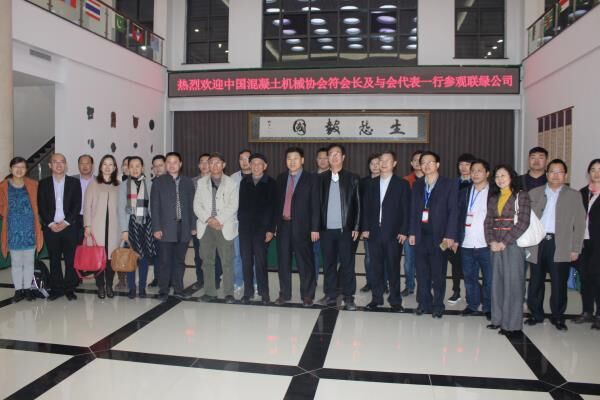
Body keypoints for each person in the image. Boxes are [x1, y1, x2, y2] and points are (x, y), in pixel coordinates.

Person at [526, 159, 586, 331]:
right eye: (552, 171)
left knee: (559, 282)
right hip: (537, 242)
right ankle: (536, 314)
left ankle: (558, 317)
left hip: (561, 243)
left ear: (565, 175)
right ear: (547, 174)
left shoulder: (574, 195)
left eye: (560, 172)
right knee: (536, 281)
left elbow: (580, 224)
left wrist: (575, 248)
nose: (555, 175)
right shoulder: (534, 193)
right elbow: (526, 220)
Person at [408, 151, 458, 318]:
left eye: (430, 162)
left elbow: (453, 211)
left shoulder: (449, 184)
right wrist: (412, 232)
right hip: (420, 235)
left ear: (437, 165)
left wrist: (450, 235)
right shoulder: (417, 185)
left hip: (440, 237)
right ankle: (424, 303)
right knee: (422, 273)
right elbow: (413, 210)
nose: (427, 165)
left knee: (438, 273)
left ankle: (438, 305)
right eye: (423, 162)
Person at [484, 165, 531, 335]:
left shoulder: (521, 196)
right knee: (497, 283)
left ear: (511, 177)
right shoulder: (493, 198)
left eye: (503, 175)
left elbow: (523, 222)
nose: (500, 179)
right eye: (497, 176)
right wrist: (491, 241)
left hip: (513, 245)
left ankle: (512, 325)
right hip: (495, 245)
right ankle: (497, 319)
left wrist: (504, 242)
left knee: (513, 284)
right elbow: (488, 222)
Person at [362, 150, 410, 312]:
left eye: (387, 160)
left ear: (394, 163)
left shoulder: (402, 184)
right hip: (374, 232)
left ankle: (395, 300)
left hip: (394, 233)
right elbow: (366, 208)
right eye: (381, 160)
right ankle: (376, 298)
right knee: (375, 267)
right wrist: (365, 227)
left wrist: (404, 230)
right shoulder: (371, 184)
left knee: (393, 267)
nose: (383, 163)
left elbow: (406, 209)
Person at [316, 144, 360, 311]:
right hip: (326, 230)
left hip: (345, 230)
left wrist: (357, 226)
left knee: (347, 264)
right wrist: (316, 227)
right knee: (329, 264)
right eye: (331, 154)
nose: (334, 157)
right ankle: (330, 295)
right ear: (327, 158)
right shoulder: (320, 179)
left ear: (343, 157)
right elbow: (316, 205)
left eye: (337, 154)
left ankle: (349, 297)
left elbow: (358, 205)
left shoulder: (353, 178)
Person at [275, 147, 319, 307]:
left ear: (302, 160)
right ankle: (284, 294)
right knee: (283, 262)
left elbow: (316, 205)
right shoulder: (281, 178)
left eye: (295, 158)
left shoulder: (311, 179)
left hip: (303, 227)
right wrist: (274, 226)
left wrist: (315, 228)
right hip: (283, 226)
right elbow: (276, 204)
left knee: (305, 262)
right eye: (289, 158)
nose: (292, 161)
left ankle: (307, 295)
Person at [151, 152, 196, 301]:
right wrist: (156, 228)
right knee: (164, 261)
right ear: (165, 165)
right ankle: (163, 290)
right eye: (168, 162)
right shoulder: (158, 182)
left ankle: (178, 289)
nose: (171, 165)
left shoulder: (188, 182)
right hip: (165, 228)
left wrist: (193, 225)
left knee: (179, 261)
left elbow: (192, 206)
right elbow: (154, 207)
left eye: (175, 162)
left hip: (184, 227)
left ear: (180, 164)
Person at [194, 152, 239, 303]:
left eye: (218, 162)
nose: (214, 165)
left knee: (227, 261)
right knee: (207, 261)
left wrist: (218, 219)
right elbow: (197, 205)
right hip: (206, 226)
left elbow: (233, 205)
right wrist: (209, 219)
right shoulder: (201, 183)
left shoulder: (232, 183)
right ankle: (210, 292)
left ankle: (229, 293)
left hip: (224, 225)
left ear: (223, 165)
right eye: (211, 162)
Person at [37, 153, 82, 301]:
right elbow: (41, 206)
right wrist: (51, 223)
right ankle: (57, 289)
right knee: (54, 259)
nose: (58, 164)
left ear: (66, 165)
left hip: (69, 227)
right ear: (50, 165)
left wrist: (66, 222)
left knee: (70, 259)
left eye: (62, 162)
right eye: (55, 162)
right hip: (51, 228)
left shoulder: (74, 183)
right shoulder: (43, 183)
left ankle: (70, 288)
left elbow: (77, 205)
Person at [0, 157, 44, 302]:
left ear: (26, 169)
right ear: (10, 168)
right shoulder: (3, 186)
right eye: (16, 167)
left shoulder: (33, 185)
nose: (19, 170)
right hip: (13, 230)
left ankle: (28, 289)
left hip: (30, 230)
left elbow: (39, 203)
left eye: (22, 167)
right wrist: (7, 213)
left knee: (29, 262)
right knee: (16, 262)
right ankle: (18, 290)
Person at [455, 159, 492, 319]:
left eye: (479, 171)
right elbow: (457, 217)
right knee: (469, 278)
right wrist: (456, 238)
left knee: (489, 279)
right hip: (467, 243)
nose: (475, 174)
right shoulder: (464, 192)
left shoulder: (494, 193)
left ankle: (489, 307)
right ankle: (472, 305)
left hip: (487, 244)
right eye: (473, 171)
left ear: (487, 173)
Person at [238, 153, 277, 304]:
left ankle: (264, 292)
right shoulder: (244, 182)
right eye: (253, 163)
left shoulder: (271, 183)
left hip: (262, 230)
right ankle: (248, 292)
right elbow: (241, 205)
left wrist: (271, 229)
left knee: (261, 262)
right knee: (246, 261)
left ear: (265, 166)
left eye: (259, 163)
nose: (255, 166)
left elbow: (274, 208)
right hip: (245, 229)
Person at [83, 155, 121, 299]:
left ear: (115, 167)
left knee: (111, 259)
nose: (107, 167)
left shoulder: (119, 185)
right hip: (96, 227)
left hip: (114, 228)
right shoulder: (93, 184)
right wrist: (87, 225)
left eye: (111, 164)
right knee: (98, 258)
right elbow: (87, 206)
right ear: (100, 167)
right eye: (105, 164)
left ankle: (109, 285)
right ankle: (100, 286)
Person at [118, 156, 156, 299]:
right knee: (131, 257)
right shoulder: (123, 185)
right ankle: (132, 288)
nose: (135, 169)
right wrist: (124, 230)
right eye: (131, 166)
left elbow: (152, 207)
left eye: (137, 166)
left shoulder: (149, 184)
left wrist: (153, 227)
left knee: (144, 259)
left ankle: (142, 287)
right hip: (130, 224)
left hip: (146, 224)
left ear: (142, 168)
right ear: (128, 168)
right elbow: (121, 209)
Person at [447, 153, 475, 304]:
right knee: (453, 259)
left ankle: (473, 292)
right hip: (451, 228)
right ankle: (456, 291)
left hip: (469, 230)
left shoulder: (476, 184)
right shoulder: (452, 183)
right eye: (461, 164)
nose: (464, 168)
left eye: (467, 164)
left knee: (468, 263)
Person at [576, 159, 600, 329]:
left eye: (599, 169)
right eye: (593, 169)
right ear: (588, 173)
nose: (596, 173)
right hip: (583, 241)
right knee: (584, 277)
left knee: (597, 277)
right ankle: (587, 311)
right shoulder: (583, 193)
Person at [401, 149, 424, 297]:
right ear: (411, 163)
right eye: (415, 160)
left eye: (421, 160)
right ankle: (409, 286)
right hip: (409, 227)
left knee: (425, 260)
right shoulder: (405, 181)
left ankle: (425, 286)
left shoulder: (432, 180)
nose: (418, 162)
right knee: (409, 261)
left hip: (427, 228)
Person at [359, 153, 381, 293]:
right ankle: (370, 282)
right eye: (372, 163)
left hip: (382, 225)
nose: (375, 166)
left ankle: (383, 283)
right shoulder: (363, 182)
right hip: (367, 225)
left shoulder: (386, 180)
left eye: (377, 163)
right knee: (369, 257)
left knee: (383, 257)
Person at [148, 154, 166, 288]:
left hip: (168, 224)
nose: (158, 168)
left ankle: (169, 278)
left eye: (161, 165)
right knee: (156, 253)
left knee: (168, 254)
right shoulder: (150, 183)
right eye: (155, 166)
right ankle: (157, 277)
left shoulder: (172, 182)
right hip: (153, 223)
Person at [314, 147, 330, 283]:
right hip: (313, 224)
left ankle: (330, 282)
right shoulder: (309, 177)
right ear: (316, 160)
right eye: (320, 158)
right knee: (314, 253)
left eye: (326, 158)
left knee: (330, 254)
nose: (323, 160)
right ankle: (312, 280)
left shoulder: (336, 177)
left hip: (330, 224)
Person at [74, 154, 94, 244]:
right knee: (76, 246)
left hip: (94, 218)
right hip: (76, 218)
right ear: (78, 165)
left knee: (94, 245)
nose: (85, 166)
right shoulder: (71, 180)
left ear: (92, 165)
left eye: (87, 163)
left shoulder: (99, 181)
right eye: (82, 163)